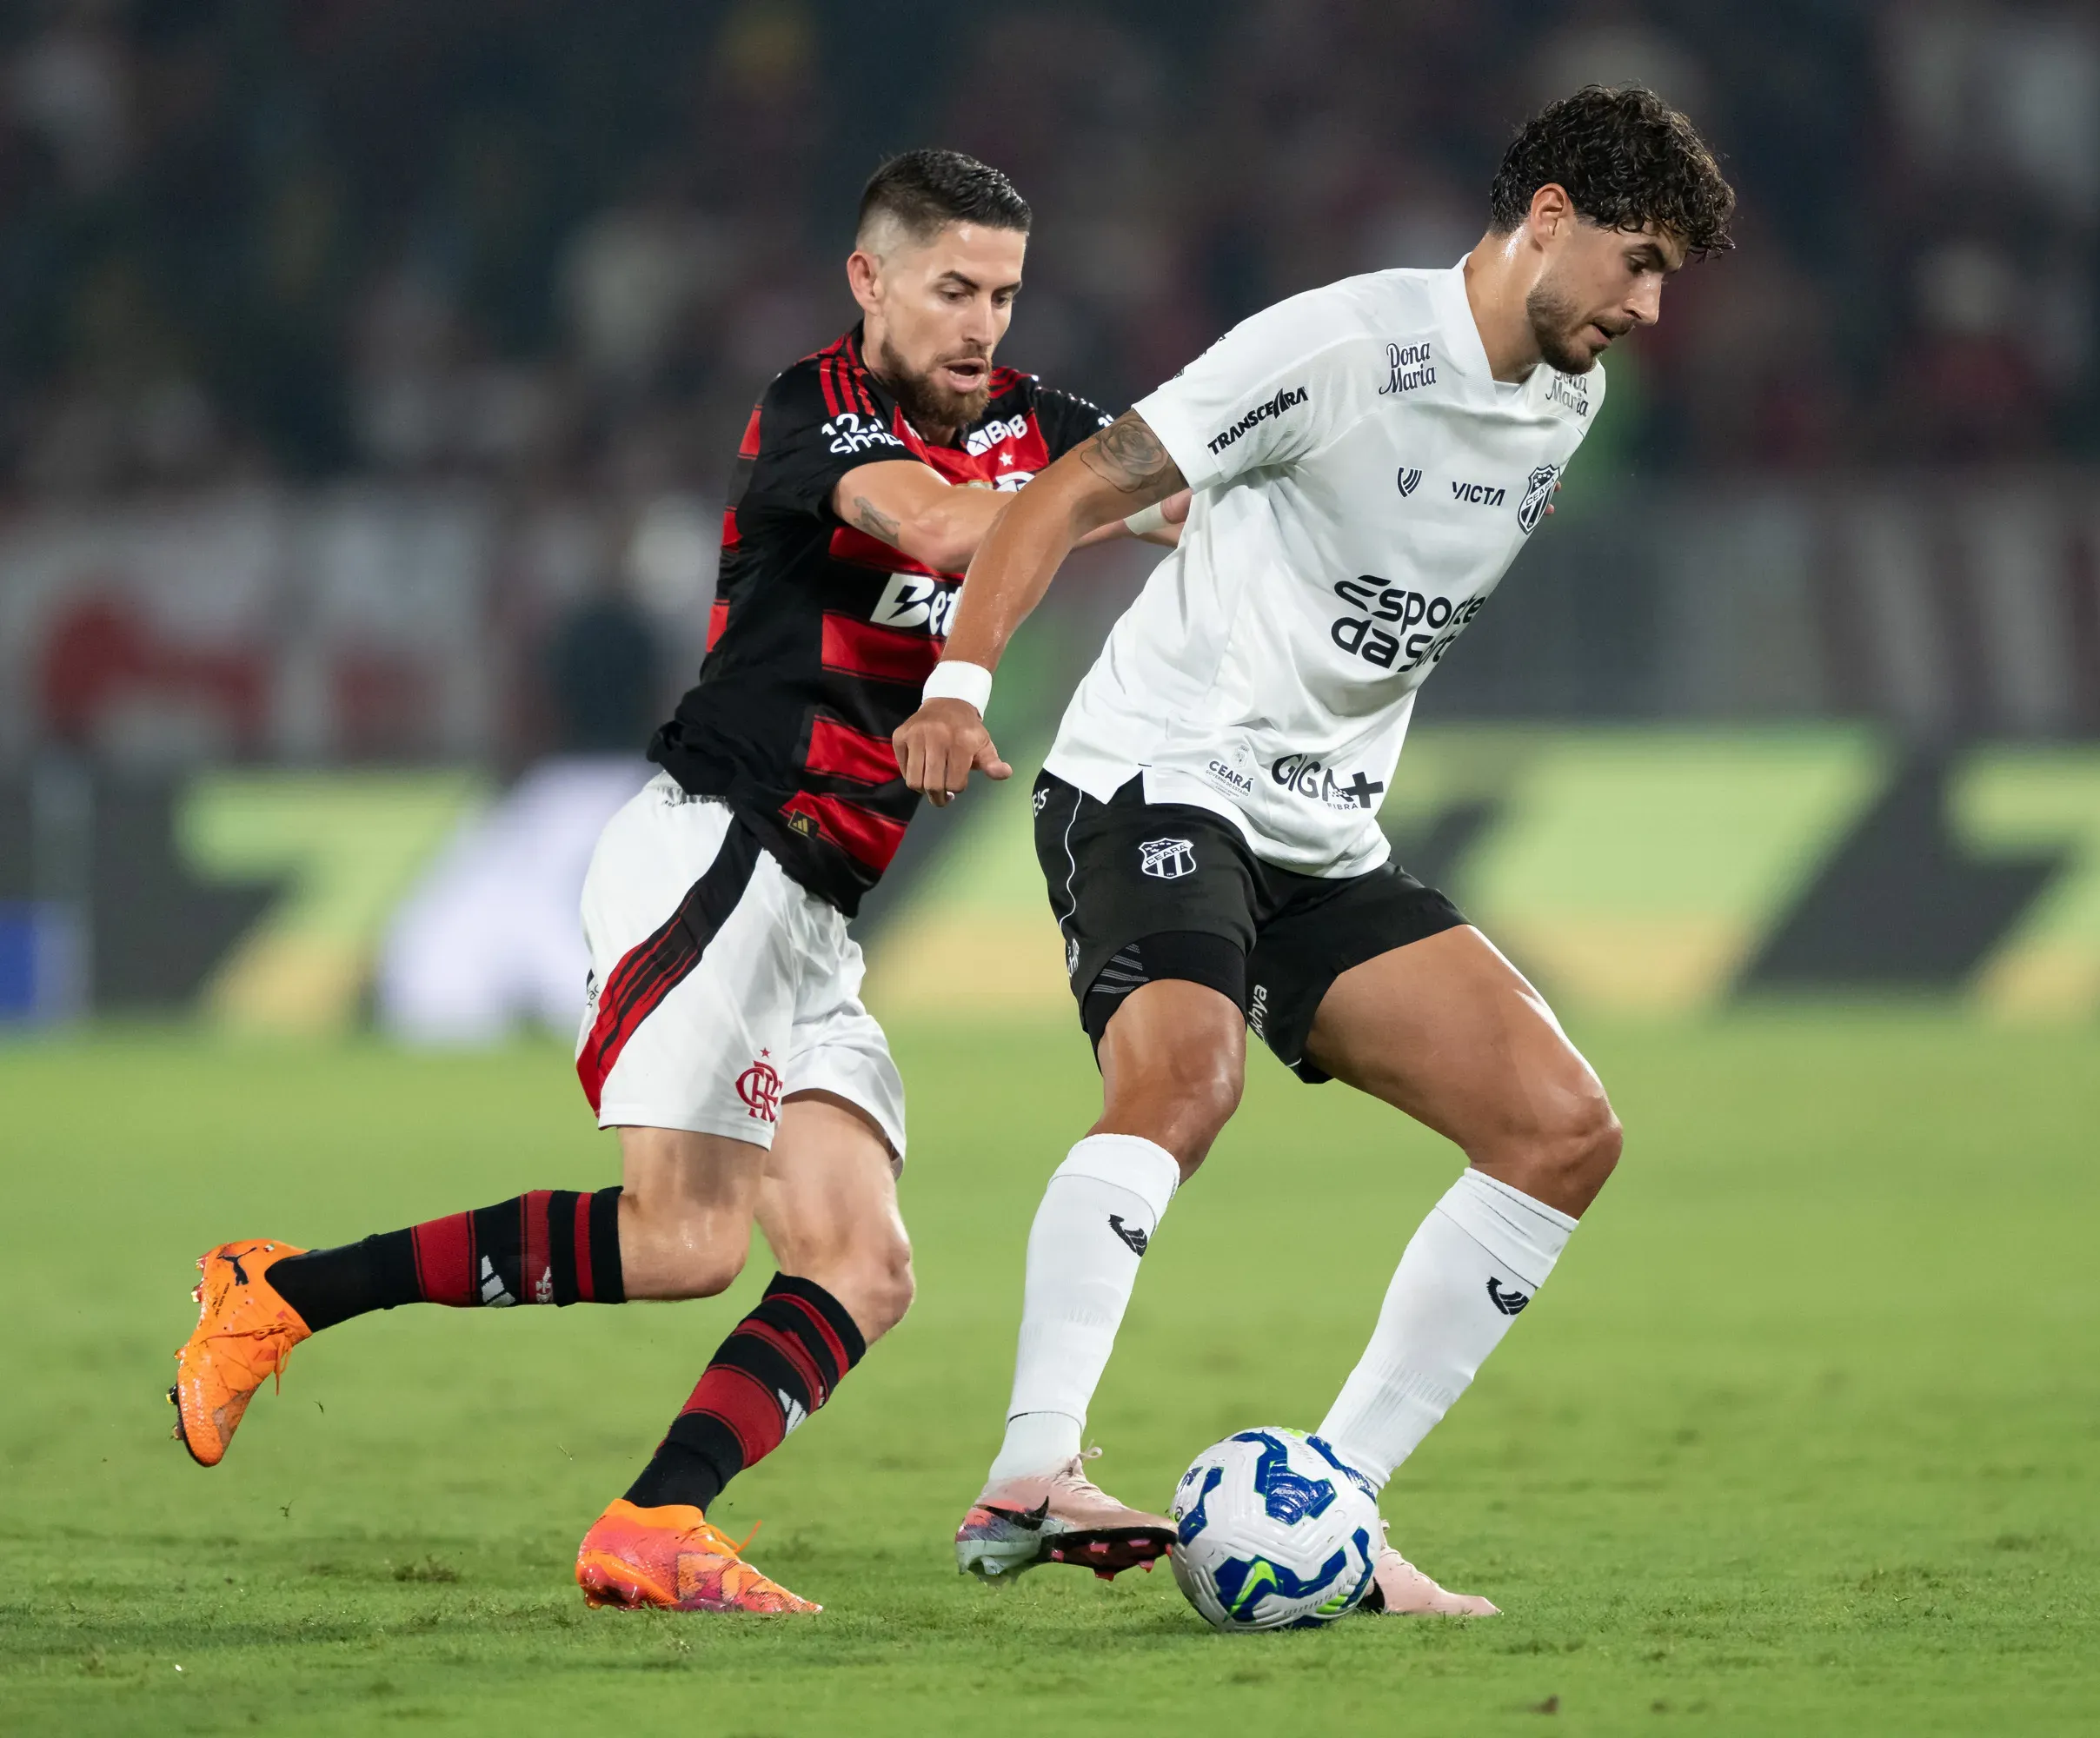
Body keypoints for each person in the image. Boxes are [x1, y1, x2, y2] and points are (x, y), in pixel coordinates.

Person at [170, 149, 1173, 1614]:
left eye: (1006, 297)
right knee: (687, 1243)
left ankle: (653, 1524)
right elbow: (956, 531)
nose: (981, 326)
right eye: (952, 289)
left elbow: (1193, 484)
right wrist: (1099, 494)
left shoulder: (1039, 428)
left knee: (860, 1262)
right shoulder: (809, 413)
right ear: (869, 281)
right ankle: (277, 1293)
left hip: (818, 911)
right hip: (717, 850)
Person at [893, 86, 1733, 1614]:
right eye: (1639, 259)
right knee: (1185, 1076)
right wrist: (959, 681)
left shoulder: (1567, 398)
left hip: (1321, 832)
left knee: (1562, 1129)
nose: (1651, 305)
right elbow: (1077, 492)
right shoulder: (1343, 347)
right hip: (1157, 775)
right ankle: (1032, 1463)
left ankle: (1326, 1509)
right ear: (1548, 217)